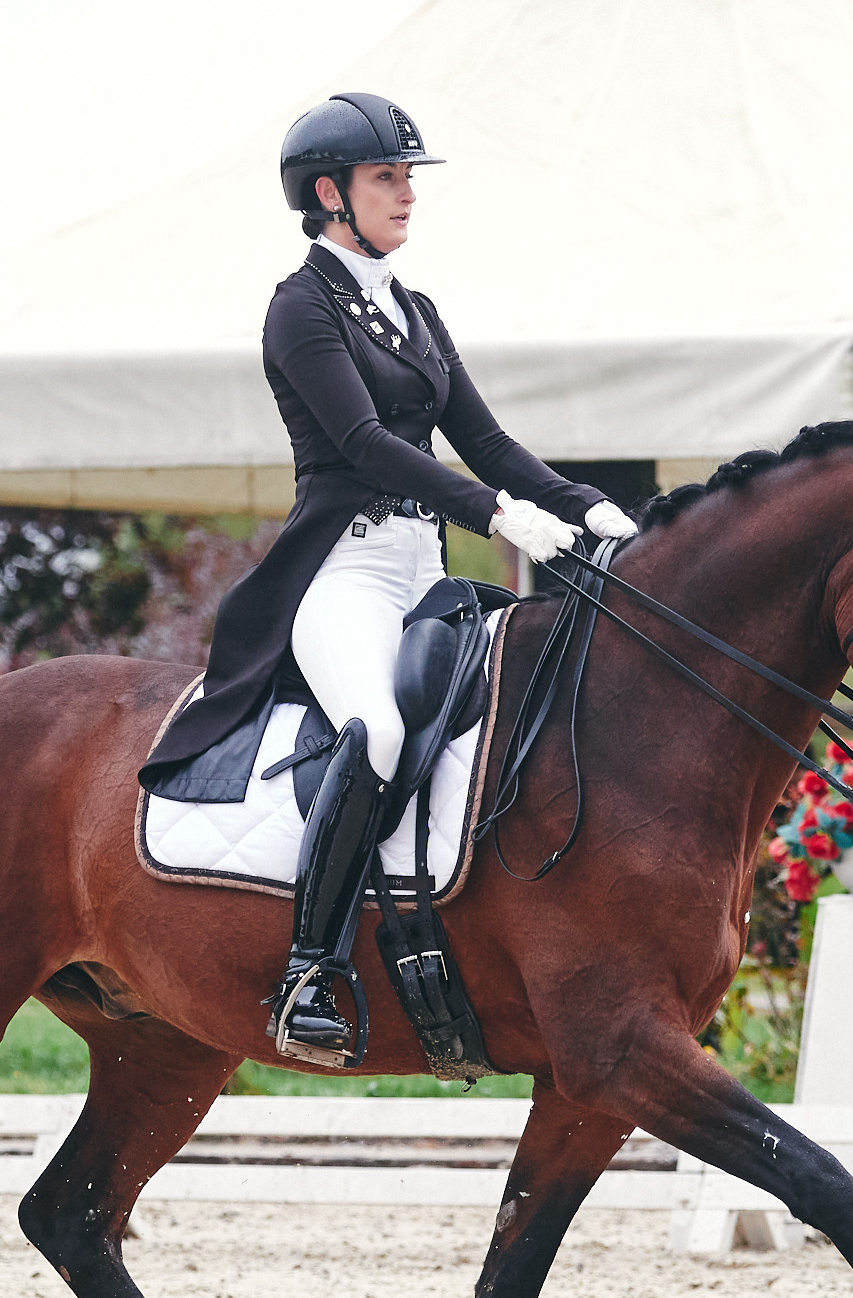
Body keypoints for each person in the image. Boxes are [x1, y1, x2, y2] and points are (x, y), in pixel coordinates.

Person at [137, 92, 640, 1065]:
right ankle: (306, 973)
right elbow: (364, 444)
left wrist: (592, 511)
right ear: (329, 193)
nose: (408, 193)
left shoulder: (412, 309)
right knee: (376, 731)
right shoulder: (299, 305)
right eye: (388, 177)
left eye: (409, 176)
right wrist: (497, 517)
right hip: (344, 571)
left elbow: (485, 440)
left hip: (426, 574)